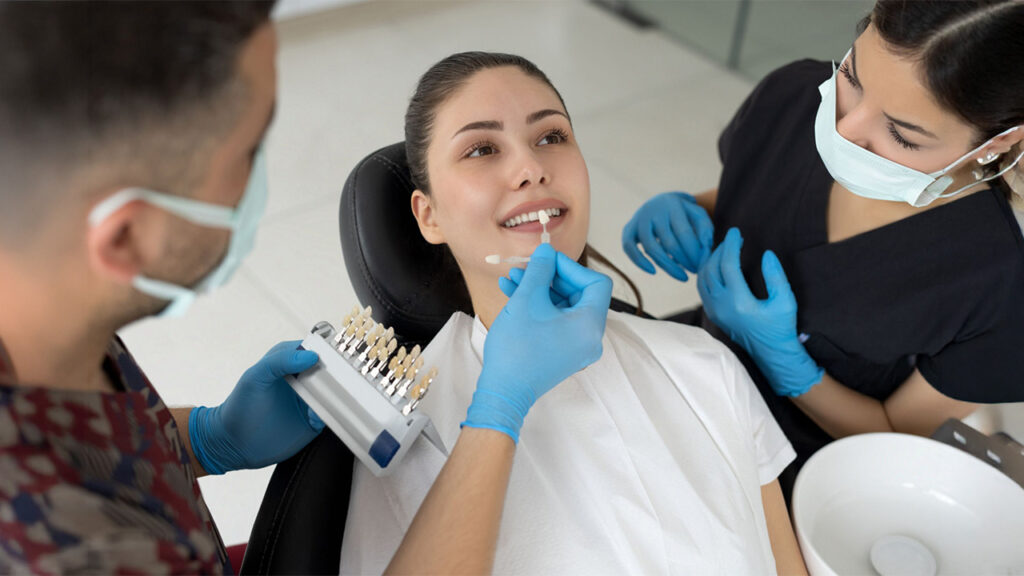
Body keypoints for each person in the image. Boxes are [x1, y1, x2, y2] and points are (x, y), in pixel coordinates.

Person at [0, 4, 609, 574]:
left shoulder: (42, 304)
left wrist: (204, 440)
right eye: (246, 152)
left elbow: (88, 442)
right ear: (125, 238)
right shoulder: (75, 554)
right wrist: (498, 410)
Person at [340, 51, 808, 575]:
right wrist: (500, 409)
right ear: (429, 217)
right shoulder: (405, 435)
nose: (531, 168)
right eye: (481, 148)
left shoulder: (704, 365)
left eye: (551, 137)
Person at [622, 0, 1024, 499]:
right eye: (853, 78)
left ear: (997, 143)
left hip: (803, 470)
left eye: (901, 134)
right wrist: (690, 208)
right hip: (690, 366)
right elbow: (756, 187)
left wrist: (788, 364)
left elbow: (894, 437)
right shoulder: (792, 94)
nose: (844, 129)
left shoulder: (1000, 279)